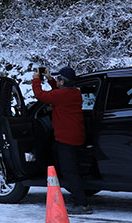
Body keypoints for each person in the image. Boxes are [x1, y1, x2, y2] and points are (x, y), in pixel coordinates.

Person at [32, 66, 92, 214]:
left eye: (58, 79)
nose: (57, 81)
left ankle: (82, 203)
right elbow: (57, 92)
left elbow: (40, 95)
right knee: (66, 165)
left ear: (62, 81)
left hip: (66, 139)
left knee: (69, 171)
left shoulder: (62, 96)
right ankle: (78, 195)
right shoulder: (74, 93)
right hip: (74, 136)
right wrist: (50, 79)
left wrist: (35, 79)